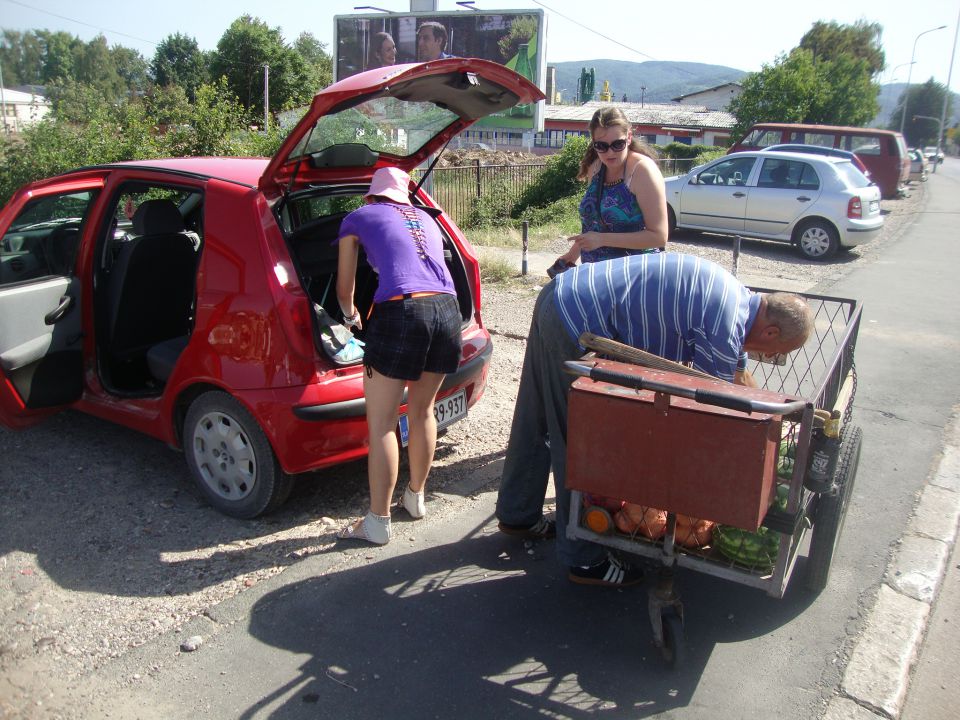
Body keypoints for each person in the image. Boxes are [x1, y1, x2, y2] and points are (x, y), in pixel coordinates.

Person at [496, 252, 814, 586]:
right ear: (771, 332)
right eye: (778, 354)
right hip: (577, 321)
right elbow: (714, 409)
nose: (772, 359)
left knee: (537, 413)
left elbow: (737, 377)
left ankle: (518, 513)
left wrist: (773, 410)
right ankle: (584, 560)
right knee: (576, 438)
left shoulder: (737, 301)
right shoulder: (725, 323)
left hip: (563, 296)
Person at [335, 167, 463, 545]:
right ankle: (416, 497)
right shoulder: (426, 216)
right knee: (423, 411)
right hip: (448, 311)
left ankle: (377, 521)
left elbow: (345, 288)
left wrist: (349, 315)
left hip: (403, 312)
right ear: (405, 197)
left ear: (371, 197)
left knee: (383, 425)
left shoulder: (358, 217)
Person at [547, 107, 668, 279]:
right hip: (599, 276)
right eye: (602, 146)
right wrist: (573, 254)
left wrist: (602, 239)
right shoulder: (596, 167)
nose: (610, 152)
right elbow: (594, 225)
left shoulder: (642, 171)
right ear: (594, 143)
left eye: (617, 144)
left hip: (636, 277)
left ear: (629, 137)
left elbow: (658, 237)